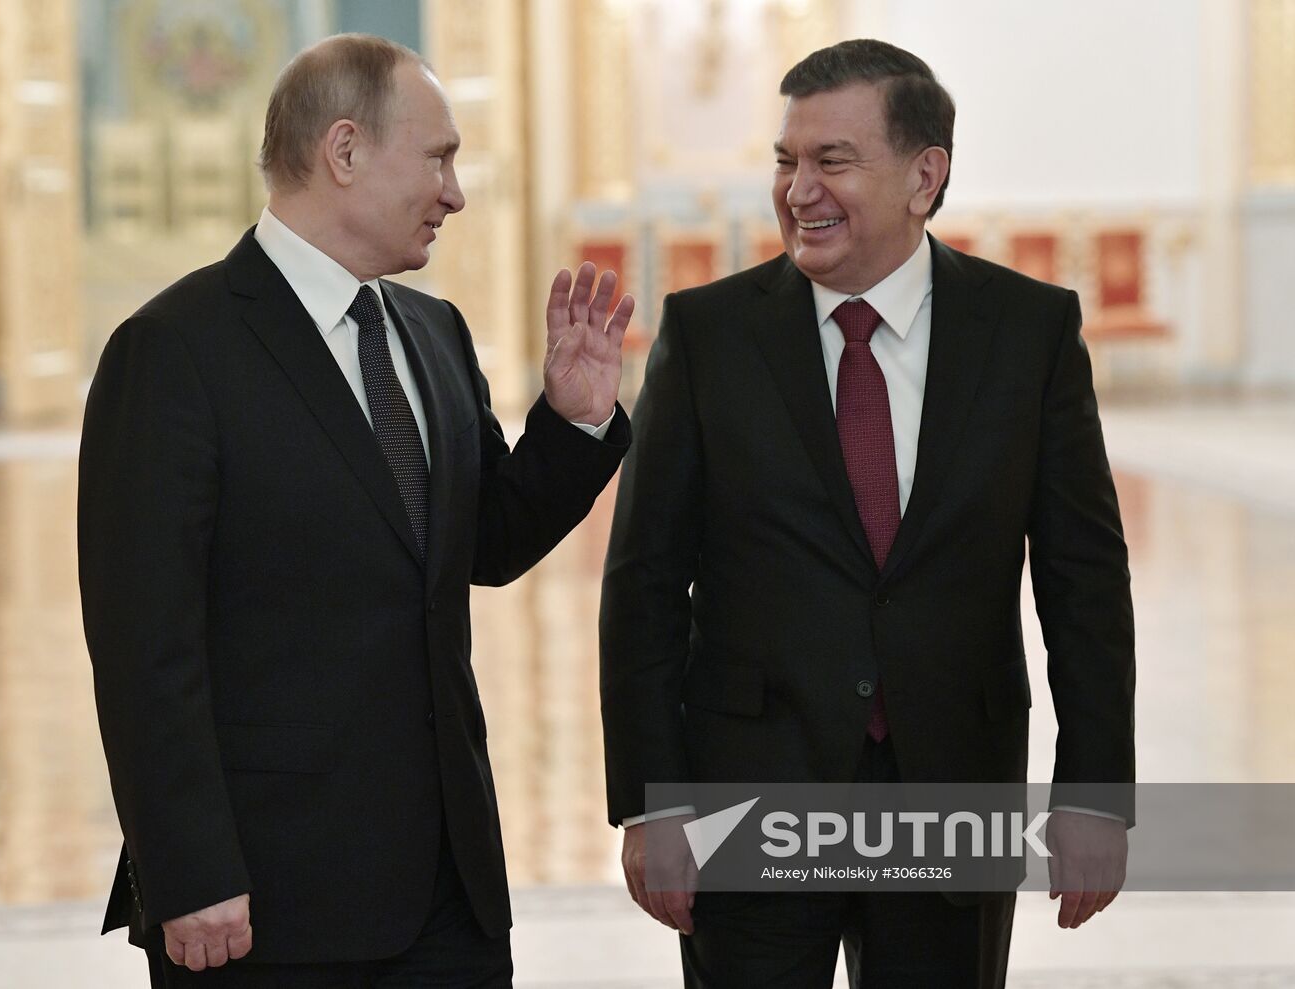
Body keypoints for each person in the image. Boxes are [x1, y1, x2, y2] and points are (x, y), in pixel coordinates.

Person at [79, 33, 633, 988]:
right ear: (343, 152)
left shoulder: (431, 329)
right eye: (439, 157)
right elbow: (143, 647)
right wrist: (189, 867)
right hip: (266, 900)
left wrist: (573, 425)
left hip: (450, 894)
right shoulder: (174, 350)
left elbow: (482, 543)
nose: (456, 192)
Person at [599, 39, 1134, 988]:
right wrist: (654, 805)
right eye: (785, 161)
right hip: (748, 796)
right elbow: (643, 583)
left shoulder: (1029, 332)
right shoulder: (708, 335)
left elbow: (1083, 580)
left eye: (831, 161)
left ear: (924, 176)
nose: (799, 189)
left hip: (950, 791)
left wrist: (1095, 793)